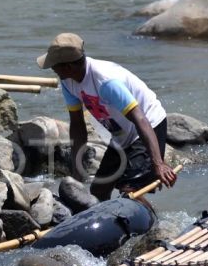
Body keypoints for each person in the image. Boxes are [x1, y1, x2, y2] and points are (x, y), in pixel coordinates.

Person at [37, 32, 177, 200]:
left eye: (54, 65)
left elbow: (139, 118)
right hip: (122, 133)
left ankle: (148, 222)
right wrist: (77, 171)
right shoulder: (68, 81)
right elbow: (77, 125)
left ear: (68, 66)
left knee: (130, 190)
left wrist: (158, 163)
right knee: (98, 190)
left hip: (148, 125)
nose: (52, 69)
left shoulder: (106, 81)